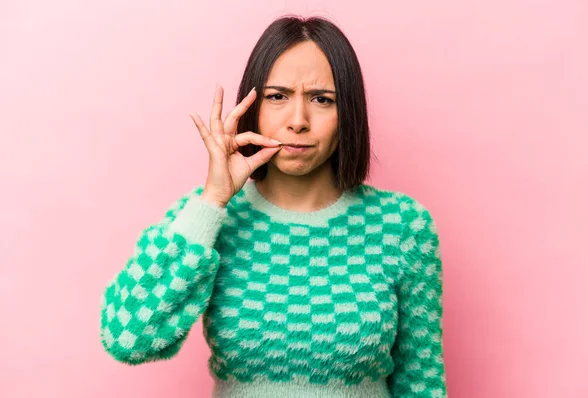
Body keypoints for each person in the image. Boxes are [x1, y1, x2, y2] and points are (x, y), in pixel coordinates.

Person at [100, 15, 448, 398]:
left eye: (321, 99)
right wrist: (213, 201)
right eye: (277, 96)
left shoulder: (402, 225)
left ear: (348, 112)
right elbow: (127, 338)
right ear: (252, 108)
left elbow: (422, 383)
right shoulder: (205, 219)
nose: (297, 121)